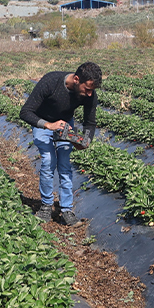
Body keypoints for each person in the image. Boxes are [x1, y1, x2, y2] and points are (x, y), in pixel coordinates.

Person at [20, 61, 102, 226]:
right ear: (76, 79)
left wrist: (85, 141)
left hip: (65, 125)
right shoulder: (51, 81)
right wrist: (49, 125)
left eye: (92, 90)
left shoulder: (89, 95)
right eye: (87, 89)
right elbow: (25, 112)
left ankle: (66, 210)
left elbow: (90, 123)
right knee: (49, 161)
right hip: (43, 123)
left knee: (64, 165)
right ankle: (46, 205)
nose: (89, 94)